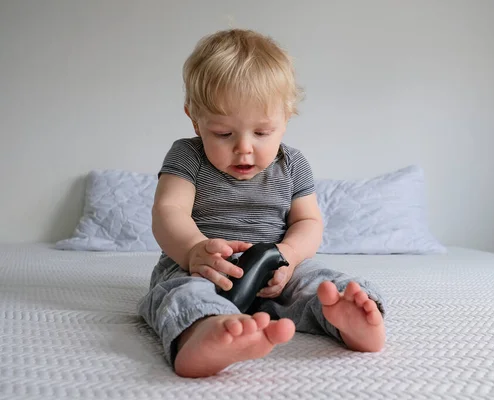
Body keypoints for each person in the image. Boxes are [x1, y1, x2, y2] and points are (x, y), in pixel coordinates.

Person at [137, 28, 386, 378]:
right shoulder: (187, 156)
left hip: (277, 269)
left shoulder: (294, 164)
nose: (244, 147)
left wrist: (290, 257)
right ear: (195, 119)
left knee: (319, 282)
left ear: (286, 119)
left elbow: (308, 223)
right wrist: (194, 250)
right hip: (202, 267)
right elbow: (168, 211)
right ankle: (205, 332)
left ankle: (345, 317)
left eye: (262, 132)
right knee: (181, 293)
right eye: (223, 134)